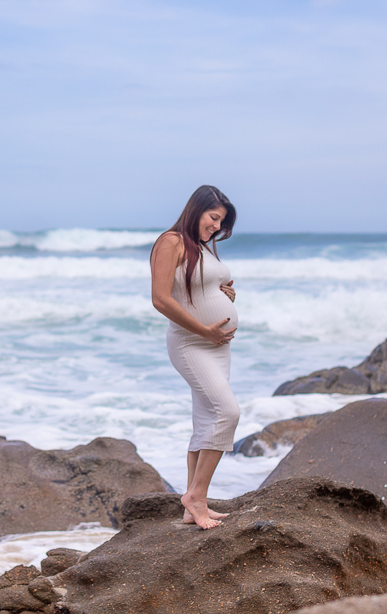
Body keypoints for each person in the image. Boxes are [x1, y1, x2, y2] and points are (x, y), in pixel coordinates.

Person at [150, 184, 239, 529]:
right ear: (196, 209)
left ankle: (192, 506)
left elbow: (198, 290)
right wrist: (205, 330)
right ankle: (196, 497)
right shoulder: (170, 242)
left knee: (206, 422)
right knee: (227, 413)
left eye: (221, 223)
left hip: (217, 345)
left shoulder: (201, 248)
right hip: (192, 344)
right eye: (213, 217)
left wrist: (226, 294)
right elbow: (160, 298)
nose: (217, 226)